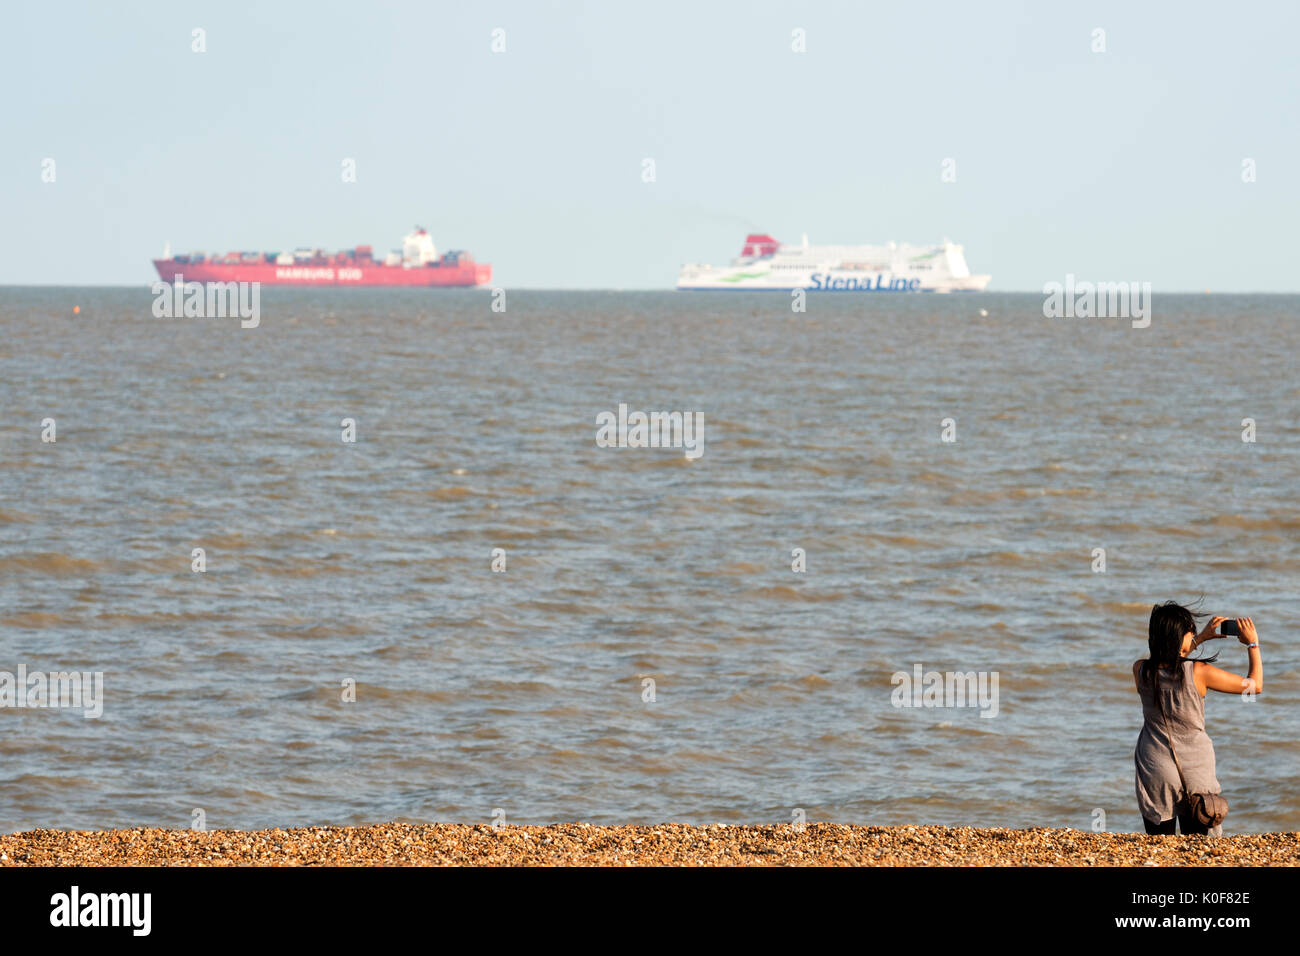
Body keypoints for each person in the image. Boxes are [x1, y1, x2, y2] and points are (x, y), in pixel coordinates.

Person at [1133, 602, 1262, 835]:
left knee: (1159, 847)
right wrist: (1252, 644)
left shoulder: (1141, 670)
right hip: (1195, 765)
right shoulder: (1200, 672)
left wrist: (1200, 638)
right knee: (1200, 848)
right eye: (1190, 631)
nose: (1193, 634)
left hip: (1154, 765)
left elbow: (1169, 661)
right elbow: (1254, 686)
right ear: (1180, 636)